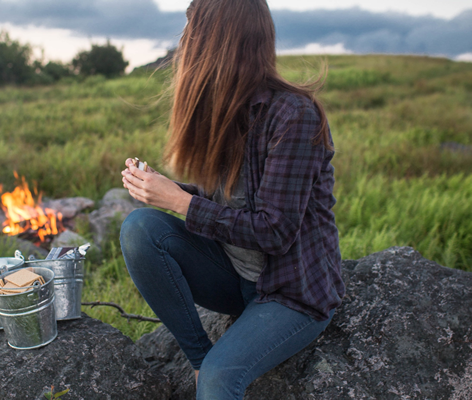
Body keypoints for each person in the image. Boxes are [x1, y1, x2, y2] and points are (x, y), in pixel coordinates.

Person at [120, 0, 345, 398]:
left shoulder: (294, 115)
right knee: (140, 229)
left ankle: (209, 370)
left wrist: (180, 202)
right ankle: (198, 358)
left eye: (191, 32)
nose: (184, 44)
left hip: (289, 292)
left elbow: (275, 231)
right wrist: (167, 190)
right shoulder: (223, 112)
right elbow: (227, 204)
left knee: (220, 378)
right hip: (234, 278)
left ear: (217, 42)